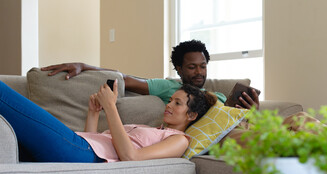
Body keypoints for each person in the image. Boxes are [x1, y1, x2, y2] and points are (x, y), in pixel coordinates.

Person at [0, 80, 217, 163]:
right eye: (170, 100)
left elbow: (131, 157)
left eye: (177, 103)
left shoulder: (179, 140)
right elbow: (93, 141)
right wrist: (94, 113)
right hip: (78, 145)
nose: (168, 105)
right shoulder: (152, 129)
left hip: (82, 152)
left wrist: (111, 107)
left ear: (192, 116)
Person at [41, 39, 260, 110]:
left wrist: (252, 111)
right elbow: (123, 78)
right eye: (192, 67)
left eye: (202, 66)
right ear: (179, 70)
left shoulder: (219, 97)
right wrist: (84, 65)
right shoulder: (171, 89)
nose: (199, 72)